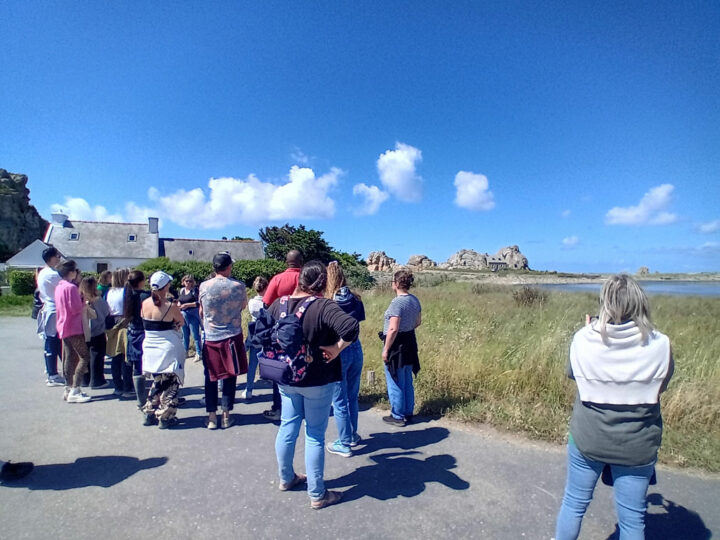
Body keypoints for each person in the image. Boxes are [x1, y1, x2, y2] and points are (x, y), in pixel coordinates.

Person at [555, 275, 674, 540]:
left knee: (574, 504)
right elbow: (660, 388)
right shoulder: (660, 344)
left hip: (589, 439)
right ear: (640, 303)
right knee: (632, 521)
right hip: (637, 444)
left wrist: (590, 332)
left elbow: (574, 375)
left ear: (604, 303)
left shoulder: (582, 339)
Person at [270, 261, 359, 510]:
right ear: (322, 283)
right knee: (315, 435)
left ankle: (286, 478)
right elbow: (351, 327)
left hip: (287, 377)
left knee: (287, 427)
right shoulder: (323, 306)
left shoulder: (280, 304)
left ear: (299, 280)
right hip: (317, 379)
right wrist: (337, 348)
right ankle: (317, 494)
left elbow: (263, 330)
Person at [199, 252, 248, 430]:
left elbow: (201, 312)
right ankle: (226, 414)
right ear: (228, 267)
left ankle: (212, 416)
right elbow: (243, 306)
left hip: (211, 336)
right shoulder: (239, 286)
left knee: (210, 376)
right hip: (232, 335)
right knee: (230, 374)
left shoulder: (204, 286)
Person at [324, 262, 365, 458]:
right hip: (355, 347)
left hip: (338, 349)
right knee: (352, 396)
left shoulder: (328, 302)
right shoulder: (355, 299)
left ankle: (344, 441)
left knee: (338, 400)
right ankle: (352, 433)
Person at [140, 271, 186, 429]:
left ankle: (149, 411)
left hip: (150, 346)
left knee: (158, 381)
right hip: (167, 347)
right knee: (171, 383)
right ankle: (165, 416)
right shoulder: (170, 306)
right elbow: (181, 322)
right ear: (165, 286)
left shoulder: (145, 303)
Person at [262, 249, 304, 420]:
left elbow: (266, 304)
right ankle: (303, 409)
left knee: (279, 370)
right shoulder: (306, 278)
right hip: (304, 331)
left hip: (282, 333)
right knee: (304, 367)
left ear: (287, 262)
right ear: (301, 261)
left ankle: (279, 409)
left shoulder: (277, 279)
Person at [381, 268, 422, 427]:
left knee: (395, 379)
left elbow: (393, 328)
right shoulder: (414, 300)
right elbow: (418, 322)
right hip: (410, 341)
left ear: (397, 283)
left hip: (396, 344)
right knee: (406, 378)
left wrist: (386, 349)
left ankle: (397, 415)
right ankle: (407, 411)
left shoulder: (397, 302)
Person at [54, 260, 92, 403]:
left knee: (69, 357)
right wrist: (84, 302)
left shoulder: (59, 287)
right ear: (71, 273)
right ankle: (75, 389)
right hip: (74, 327)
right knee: (84, 357)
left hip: (63, 325)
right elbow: (76, 308)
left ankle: (68, 387)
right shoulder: (71, 288)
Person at [36, 246, 65, 387]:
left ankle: (52, 370)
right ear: (51, 258)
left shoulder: (43, 272)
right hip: (54, 309)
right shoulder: (52, 274)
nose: (59, 258)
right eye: (57, 256)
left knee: (53, 341)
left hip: (50, 308)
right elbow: (65, 285)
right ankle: (52, 374)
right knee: (52, 342)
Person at [124, 270, 150, 409]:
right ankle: (149, 398)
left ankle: (141, 400)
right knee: (149, 364)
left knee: (136, 366)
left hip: (132, 331)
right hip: (144, 331)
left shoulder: (128, 294)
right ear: (141, 281)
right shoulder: (145, 296)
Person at [106, 268, 133, 398]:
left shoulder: (109, 292)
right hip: (123, 324)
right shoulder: (125, 291)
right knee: (125, 357)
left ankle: (118, 385)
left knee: (115, 357)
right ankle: (127, 386)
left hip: (112, 324)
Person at [80, 276, 110, 389]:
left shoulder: (80, 299)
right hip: (97, 330)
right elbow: (105, 312)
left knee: (84, 355)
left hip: (83, 330)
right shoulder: (97, 300)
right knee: (97, 355)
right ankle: (97, 380)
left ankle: (85, 379)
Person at [243, 276, 268, 401]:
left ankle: (249, 389)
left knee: (252, 363)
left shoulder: (252, 302)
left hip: (255, 332)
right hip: (267, 332)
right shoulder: (269, 302)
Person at [177, 274, 202, 363]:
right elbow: (180, 299)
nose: (188, 283)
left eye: (190, 281)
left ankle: (198, 353)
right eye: (186, 281)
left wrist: (187, 305)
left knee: (195, 334)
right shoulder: (182, 290)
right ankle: (186, 351)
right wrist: (179, 304)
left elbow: (198, 303)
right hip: (183, 314)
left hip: (192, 313)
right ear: (183, 282)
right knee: (185, 334)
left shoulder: (194, 291)